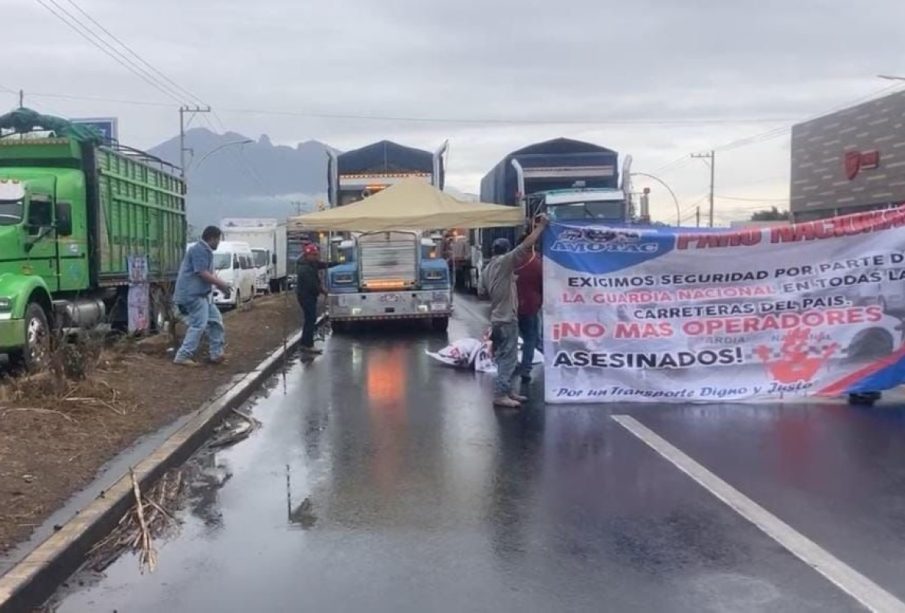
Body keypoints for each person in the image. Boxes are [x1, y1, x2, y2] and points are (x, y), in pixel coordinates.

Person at [480, 216, 548, 408]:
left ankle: (509, 390)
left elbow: (481, 292)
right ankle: (501, 394)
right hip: (506, 318)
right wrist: (541, 227)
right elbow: (525, 246)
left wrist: (504, 287)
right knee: (508, 358)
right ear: (506, 250)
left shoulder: (487, 269)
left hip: (496, 318)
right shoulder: (505, 263)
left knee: (504, 355)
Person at [173, 225, 231, 367]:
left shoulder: (205, 250)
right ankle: (183, 355)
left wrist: (220, 287)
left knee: (216, 321)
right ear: (211, 238)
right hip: (192, 295)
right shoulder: (199, 250)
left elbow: (208, 275)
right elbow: (202, 273)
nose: (218, 243)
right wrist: (222, 285)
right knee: (199, 324)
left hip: (202, 295)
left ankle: (216, 354)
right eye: (218, 240)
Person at [515, 233, 542, 384]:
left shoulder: (512, 261)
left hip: (512, 306)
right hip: (531, 306)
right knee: (531, 338)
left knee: (514, 338)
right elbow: (544, 284)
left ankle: (511, 365)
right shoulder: (537, 262)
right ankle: (525, 368)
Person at [296, 243, 329, 354]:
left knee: (310, 320)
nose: (316, 257)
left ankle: (305, 343)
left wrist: (337, 264)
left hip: (309, 296)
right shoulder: (304, 269)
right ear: (307, 255)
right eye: (314, 255)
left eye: (316, 254)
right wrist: (323, 291)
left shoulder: (311, 264)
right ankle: (308, 345)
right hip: (306, 297)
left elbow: (322, 265)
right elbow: (312, 285)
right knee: (310, 320)